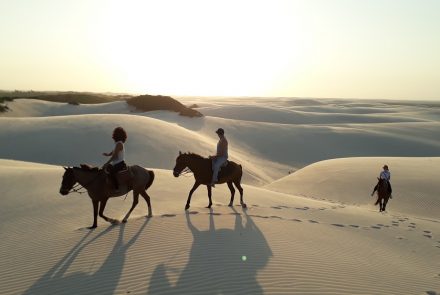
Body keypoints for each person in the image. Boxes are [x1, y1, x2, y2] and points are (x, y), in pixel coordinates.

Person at [103, 127, 127, 191]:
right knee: (105, 170)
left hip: (120, 163)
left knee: (111, 171)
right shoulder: (117, 143)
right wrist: (108, 154)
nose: (113, 135)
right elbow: (114, 151)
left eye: (114, 133)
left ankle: (116, 188)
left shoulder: (119, 144)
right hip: (116, 163)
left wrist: (107, 163)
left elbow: (115, 156)